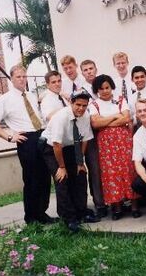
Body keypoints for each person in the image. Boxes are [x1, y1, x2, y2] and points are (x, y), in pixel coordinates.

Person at [0, 64, 55, 225]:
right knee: (31, 179)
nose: (22, 80)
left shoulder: (31, 95)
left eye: (24, 76)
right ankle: (30, 217)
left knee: (45, 177)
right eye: (18, 77)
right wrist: (10, 137)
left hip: (41, 136)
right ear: (11, 79)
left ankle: (41, 213)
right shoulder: (4, 99)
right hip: (26, 140)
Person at [41, 90, 101, 232]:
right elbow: (56, 145)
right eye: (78, 104)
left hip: (71, 147)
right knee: (62, 179)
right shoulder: (61, 117)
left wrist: (80, 163)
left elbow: (85, 139)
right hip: (51, 148)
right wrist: (61, 167)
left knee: (80, 176)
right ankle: (68, 218)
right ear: (71, 103)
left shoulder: (85, 115)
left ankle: (81, 212)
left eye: (84, 105)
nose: (81, 108)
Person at [89, 74, 140, 220]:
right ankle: (117, 208)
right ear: (97, 90)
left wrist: (105, 121)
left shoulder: (120, 99)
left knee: (128, 170)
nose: (105, 91)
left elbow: (126, 118)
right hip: (105, 145)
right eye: (101, 88)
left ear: (111, 87)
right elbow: (95, 124)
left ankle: (134, 205)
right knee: (111, 173)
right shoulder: (94, 104)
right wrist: (115, 116)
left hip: (123, 141)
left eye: (107, 87)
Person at [80, 59, 107, 217]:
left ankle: (115, 199)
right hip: (89, 135)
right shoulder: (80, 90)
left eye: (91, 68)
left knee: (109, 167)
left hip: (105, 132)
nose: (89, 71)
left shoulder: (104, 86)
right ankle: (100, 203)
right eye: (86, 70)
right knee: (95, 168)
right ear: (82, 73)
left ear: (96, 69)